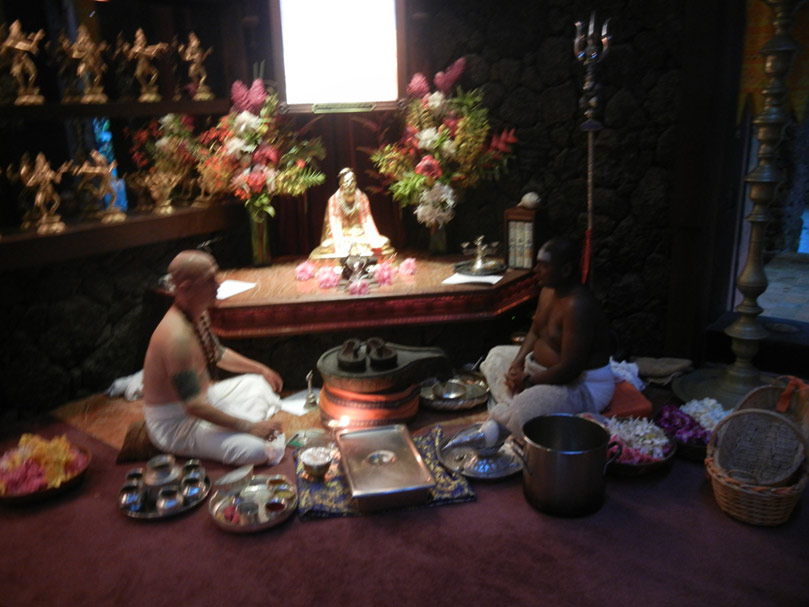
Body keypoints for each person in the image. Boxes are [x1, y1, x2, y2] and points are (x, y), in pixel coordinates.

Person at [142, 250, 286, 465]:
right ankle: (250, 425)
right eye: (209, 280)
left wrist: (260, 368)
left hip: (205, 398)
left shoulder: (199, 313)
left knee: (256, 383)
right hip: (178, 423)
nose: (218, 284)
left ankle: (246, 422)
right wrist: (249, 427)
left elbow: (217, 353)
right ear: (185, 288)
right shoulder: (176, 338)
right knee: (258, 451)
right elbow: (193, 406)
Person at [477, 237, 614, 445]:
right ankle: (516, 404)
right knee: (496, 355)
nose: (536, 270)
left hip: (581, 386)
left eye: (544, 265)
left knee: (525, 410)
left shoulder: (578, 306)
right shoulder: (547, 290)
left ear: (565, 270)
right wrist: (518, 362)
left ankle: (515, 406)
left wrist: (528, 382)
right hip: (539, 372)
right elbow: (535, 331)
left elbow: (570, 370)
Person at [309, 167, 395, 259]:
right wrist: (347, 232)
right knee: (325, 246)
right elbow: (332, 226)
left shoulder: (362, 198)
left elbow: (367, 221)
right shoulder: (334, 200)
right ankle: (353, 249)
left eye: (352, 181)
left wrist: (358, 232)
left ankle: (355, 248)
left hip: (360, 236)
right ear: (340, 184)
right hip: (341, 237)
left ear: (356, 183)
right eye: (346, 182)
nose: (350, 185)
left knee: (384, 243)